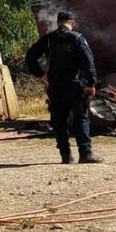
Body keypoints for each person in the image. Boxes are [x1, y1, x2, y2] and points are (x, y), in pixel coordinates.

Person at [25, 11, 103, 164]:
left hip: (55, 86)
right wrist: (91, 84)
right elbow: (88, 62)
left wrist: (40, 74)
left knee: (59, 121)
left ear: (58, 22)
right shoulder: (78, 38)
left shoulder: (48, 38)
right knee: (81, 118)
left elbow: (30, 57)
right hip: (75, 85)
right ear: (72, 22)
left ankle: (66, 156)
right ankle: (85, 153)